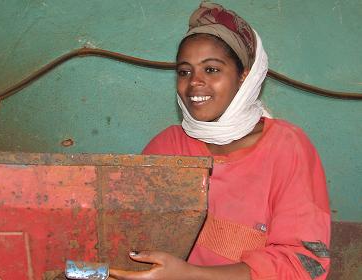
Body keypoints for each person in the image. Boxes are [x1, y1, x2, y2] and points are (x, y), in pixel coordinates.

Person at [110, 2, 331, 279]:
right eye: (184, 71)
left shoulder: (287, 148)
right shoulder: (167, 147)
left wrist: (190, 275)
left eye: (211, 70)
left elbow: (303, 265)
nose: (194, 83)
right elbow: (126, 235)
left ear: (244, 77)